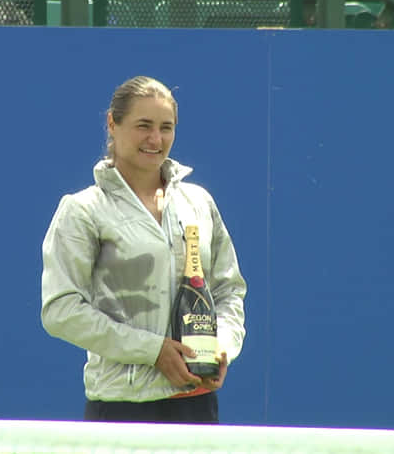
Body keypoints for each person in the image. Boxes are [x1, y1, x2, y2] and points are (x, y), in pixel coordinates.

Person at [40, 76, 247, 424]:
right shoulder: (83, 210)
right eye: (143, 126)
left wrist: (222, 346)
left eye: (166, 127)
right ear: (112, 124)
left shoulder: (198, 202)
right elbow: (61, 310)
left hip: (197, 403)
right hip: (121, 406)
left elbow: (228, 292)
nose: (155, 139)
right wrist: (153, 352)